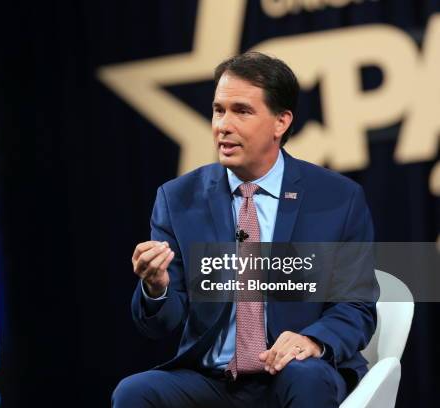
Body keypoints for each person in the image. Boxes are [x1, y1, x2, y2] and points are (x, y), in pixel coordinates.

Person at [112, 51, 378, 408]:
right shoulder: (177, 199)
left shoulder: (337, 198)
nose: (223, 124)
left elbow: (356, 305)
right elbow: (161, 325)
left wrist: (311, 341)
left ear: (280, 122)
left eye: (242, 111)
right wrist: (155, 288)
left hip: (293, 372)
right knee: (134, 392)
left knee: (306, 375)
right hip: (212, 380)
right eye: (218, 110)